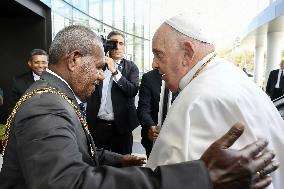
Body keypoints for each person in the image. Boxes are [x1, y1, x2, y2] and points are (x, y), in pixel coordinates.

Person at [0, 25, 278, 189]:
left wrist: (117, 159)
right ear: (74, 59)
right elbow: (68, 184)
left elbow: (73, 149)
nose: (101, 75)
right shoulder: (46, 107)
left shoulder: (53, 96)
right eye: (99, 67)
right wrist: (199, 174)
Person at [146, 13, 284, 189]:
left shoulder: (200, 98)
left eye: (159, 54)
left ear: (187, 53)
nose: (154, 64)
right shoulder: (227, 74)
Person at [86, 31, 139, 155]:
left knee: (123, 166)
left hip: (121, 127)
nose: (118, 47)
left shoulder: (131, 67)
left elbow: (132, 91)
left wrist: (114, 71)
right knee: (97, 165)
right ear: (107, 46)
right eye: (114, 43)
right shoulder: (96, 65)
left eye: (121, 43)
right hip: (97, 125)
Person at [137, 69, 177, 158]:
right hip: (153, 139)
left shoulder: (185, 76)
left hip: (177, 140)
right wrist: (150, 126)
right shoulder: (149, 77)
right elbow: (143, 109)